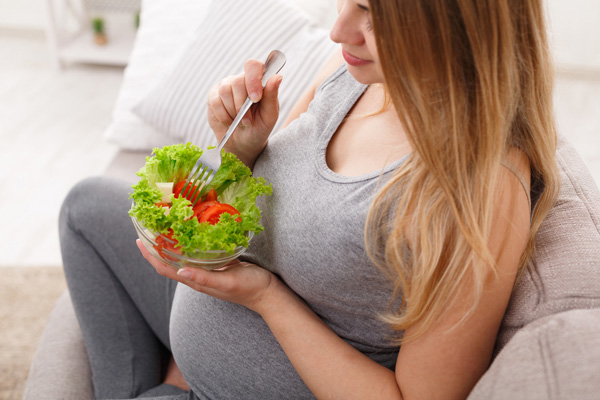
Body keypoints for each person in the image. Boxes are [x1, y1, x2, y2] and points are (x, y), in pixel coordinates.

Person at [59, 0, 559, 399]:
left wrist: (264, 297)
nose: (340, 30)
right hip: (216, 310)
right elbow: (268, 203)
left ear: (456, 24)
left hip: (253, 358)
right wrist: (243, 148)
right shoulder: (355, 77)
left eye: (372, 13)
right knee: (86, 208)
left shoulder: (482, 187)